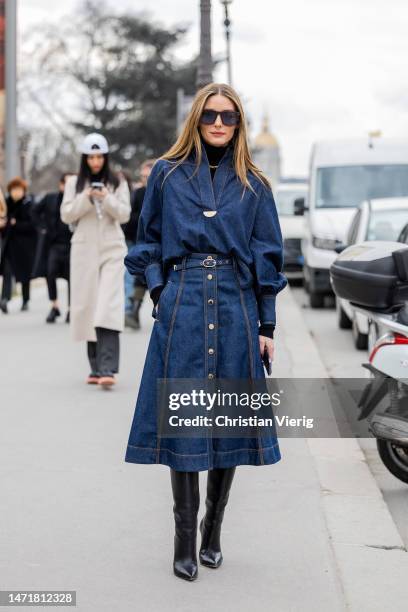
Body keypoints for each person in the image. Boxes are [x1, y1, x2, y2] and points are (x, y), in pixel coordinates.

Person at [124, 83, 288, 580]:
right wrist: (159, 292)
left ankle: (212, 530)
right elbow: (147, 239)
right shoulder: (168, 175)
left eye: (229, 117)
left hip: (238, 301)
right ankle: (183, 538)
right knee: (184, 417)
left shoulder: (255, 184)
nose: (219, 123)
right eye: (211, 115)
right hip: (184, 299)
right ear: (196, 119)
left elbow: (267, 256)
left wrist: (267, 325)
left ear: (238, 124)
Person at [60, 133, 131, 388]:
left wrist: (106, 198)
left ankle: (108, 368)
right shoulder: (73, 183)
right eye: (91, 157)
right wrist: (87, 197)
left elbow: (124, 214)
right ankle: (95, 367)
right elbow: (66, 215)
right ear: (85, 158)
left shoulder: (117, 181)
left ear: (106, 157)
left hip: (112, 248)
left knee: (107, 306)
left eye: (100, 156)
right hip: (84, 249)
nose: (96, 161)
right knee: (88, 305)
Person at [32, 173, 75, 323]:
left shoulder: (77, 200)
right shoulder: (50, 198)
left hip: (73, 245)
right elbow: (34, 211)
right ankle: (54, 306)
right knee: (50, 273)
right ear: (61, 184)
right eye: (67, 183)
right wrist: (42, 228)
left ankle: (71, 309)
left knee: (72, 277)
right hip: (54, 244)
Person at [122, 159, 155, 329]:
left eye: (148, 176)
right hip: (137, 241)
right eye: (143, 177)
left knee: (151, 277)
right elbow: (129, 217)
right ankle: (131, 311)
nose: (145, 180)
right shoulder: (138, 193)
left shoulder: (164, 191)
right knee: (136, 277)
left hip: (158, 242)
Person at [0, 177, 37, 314]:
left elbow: (32, 226)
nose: (16, 192)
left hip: (24, 246)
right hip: (9, 246)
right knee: (7, 272)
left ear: (23, 191)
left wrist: (16, 224)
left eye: (19, 190)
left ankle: (25, 300)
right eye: (13, 190)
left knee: (24, 275)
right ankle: (4, 298)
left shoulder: (28, 205)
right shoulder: (6, 204)